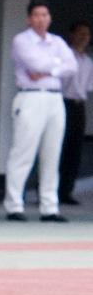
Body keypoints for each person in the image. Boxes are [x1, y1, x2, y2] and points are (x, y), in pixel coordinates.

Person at [3, 0, 76, 222]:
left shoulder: (57, 41)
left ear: (50, 18)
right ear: (29, 18)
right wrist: (55, 66)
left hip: (55, 99)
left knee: (52, 154)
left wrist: (50, 69)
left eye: (45, 15)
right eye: (37, 15)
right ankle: (14, 205)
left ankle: (49, 207)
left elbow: (72, 66)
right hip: (31, 97)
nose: (41, 19)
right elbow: (35, 65)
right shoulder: (22, 40)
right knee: (23, 152)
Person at [59, 20, 93, 206]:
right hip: (62, 102)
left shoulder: (88, 61)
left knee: (74, 150)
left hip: (79, 105)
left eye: (87, 34)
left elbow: (88, 87)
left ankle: (66, 191)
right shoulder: (64, 56)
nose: (84, 38)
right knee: (58, 147)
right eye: (80, 33)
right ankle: (49, 191)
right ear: (71, 35)